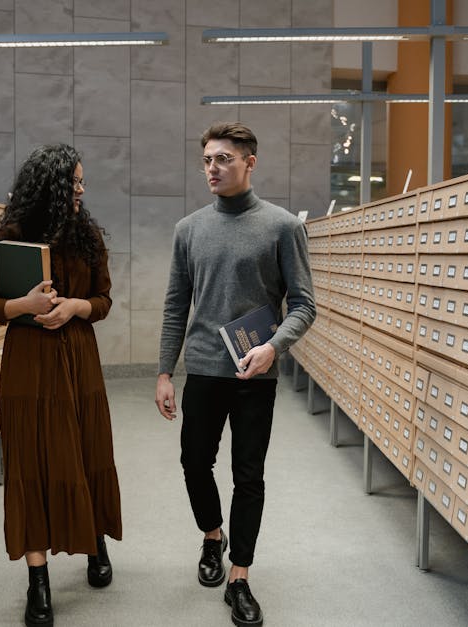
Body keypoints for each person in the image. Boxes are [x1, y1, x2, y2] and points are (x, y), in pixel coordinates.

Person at [155, 122, 316, 627]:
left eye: (224, 158)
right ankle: (212, 536)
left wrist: (274, 347)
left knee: (249, 476)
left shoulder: (282, 227)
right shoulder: (189, 229)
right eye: (207, 159)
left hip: (254, 373)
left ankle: (240, 577)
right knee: (193, 462)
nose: (213, 168)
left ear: (250, 162)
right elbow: (176, 305)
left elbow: (305, 305)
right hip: (203, 368)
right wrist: (165, 371)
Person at [0, 144, 122, 627]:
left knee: (85, 451)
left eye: (82, 182)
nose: (81, 190)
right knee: (30, 462)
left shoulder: (87, 237)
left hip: (78, 358)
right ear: (51, 187)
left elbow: (102, 300)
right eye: (73, 182)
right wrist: (23, 306)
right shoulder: (8, 238)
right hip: (28, 366)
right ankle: (38, 581)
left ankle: (94, 539)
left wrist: (76, 307)